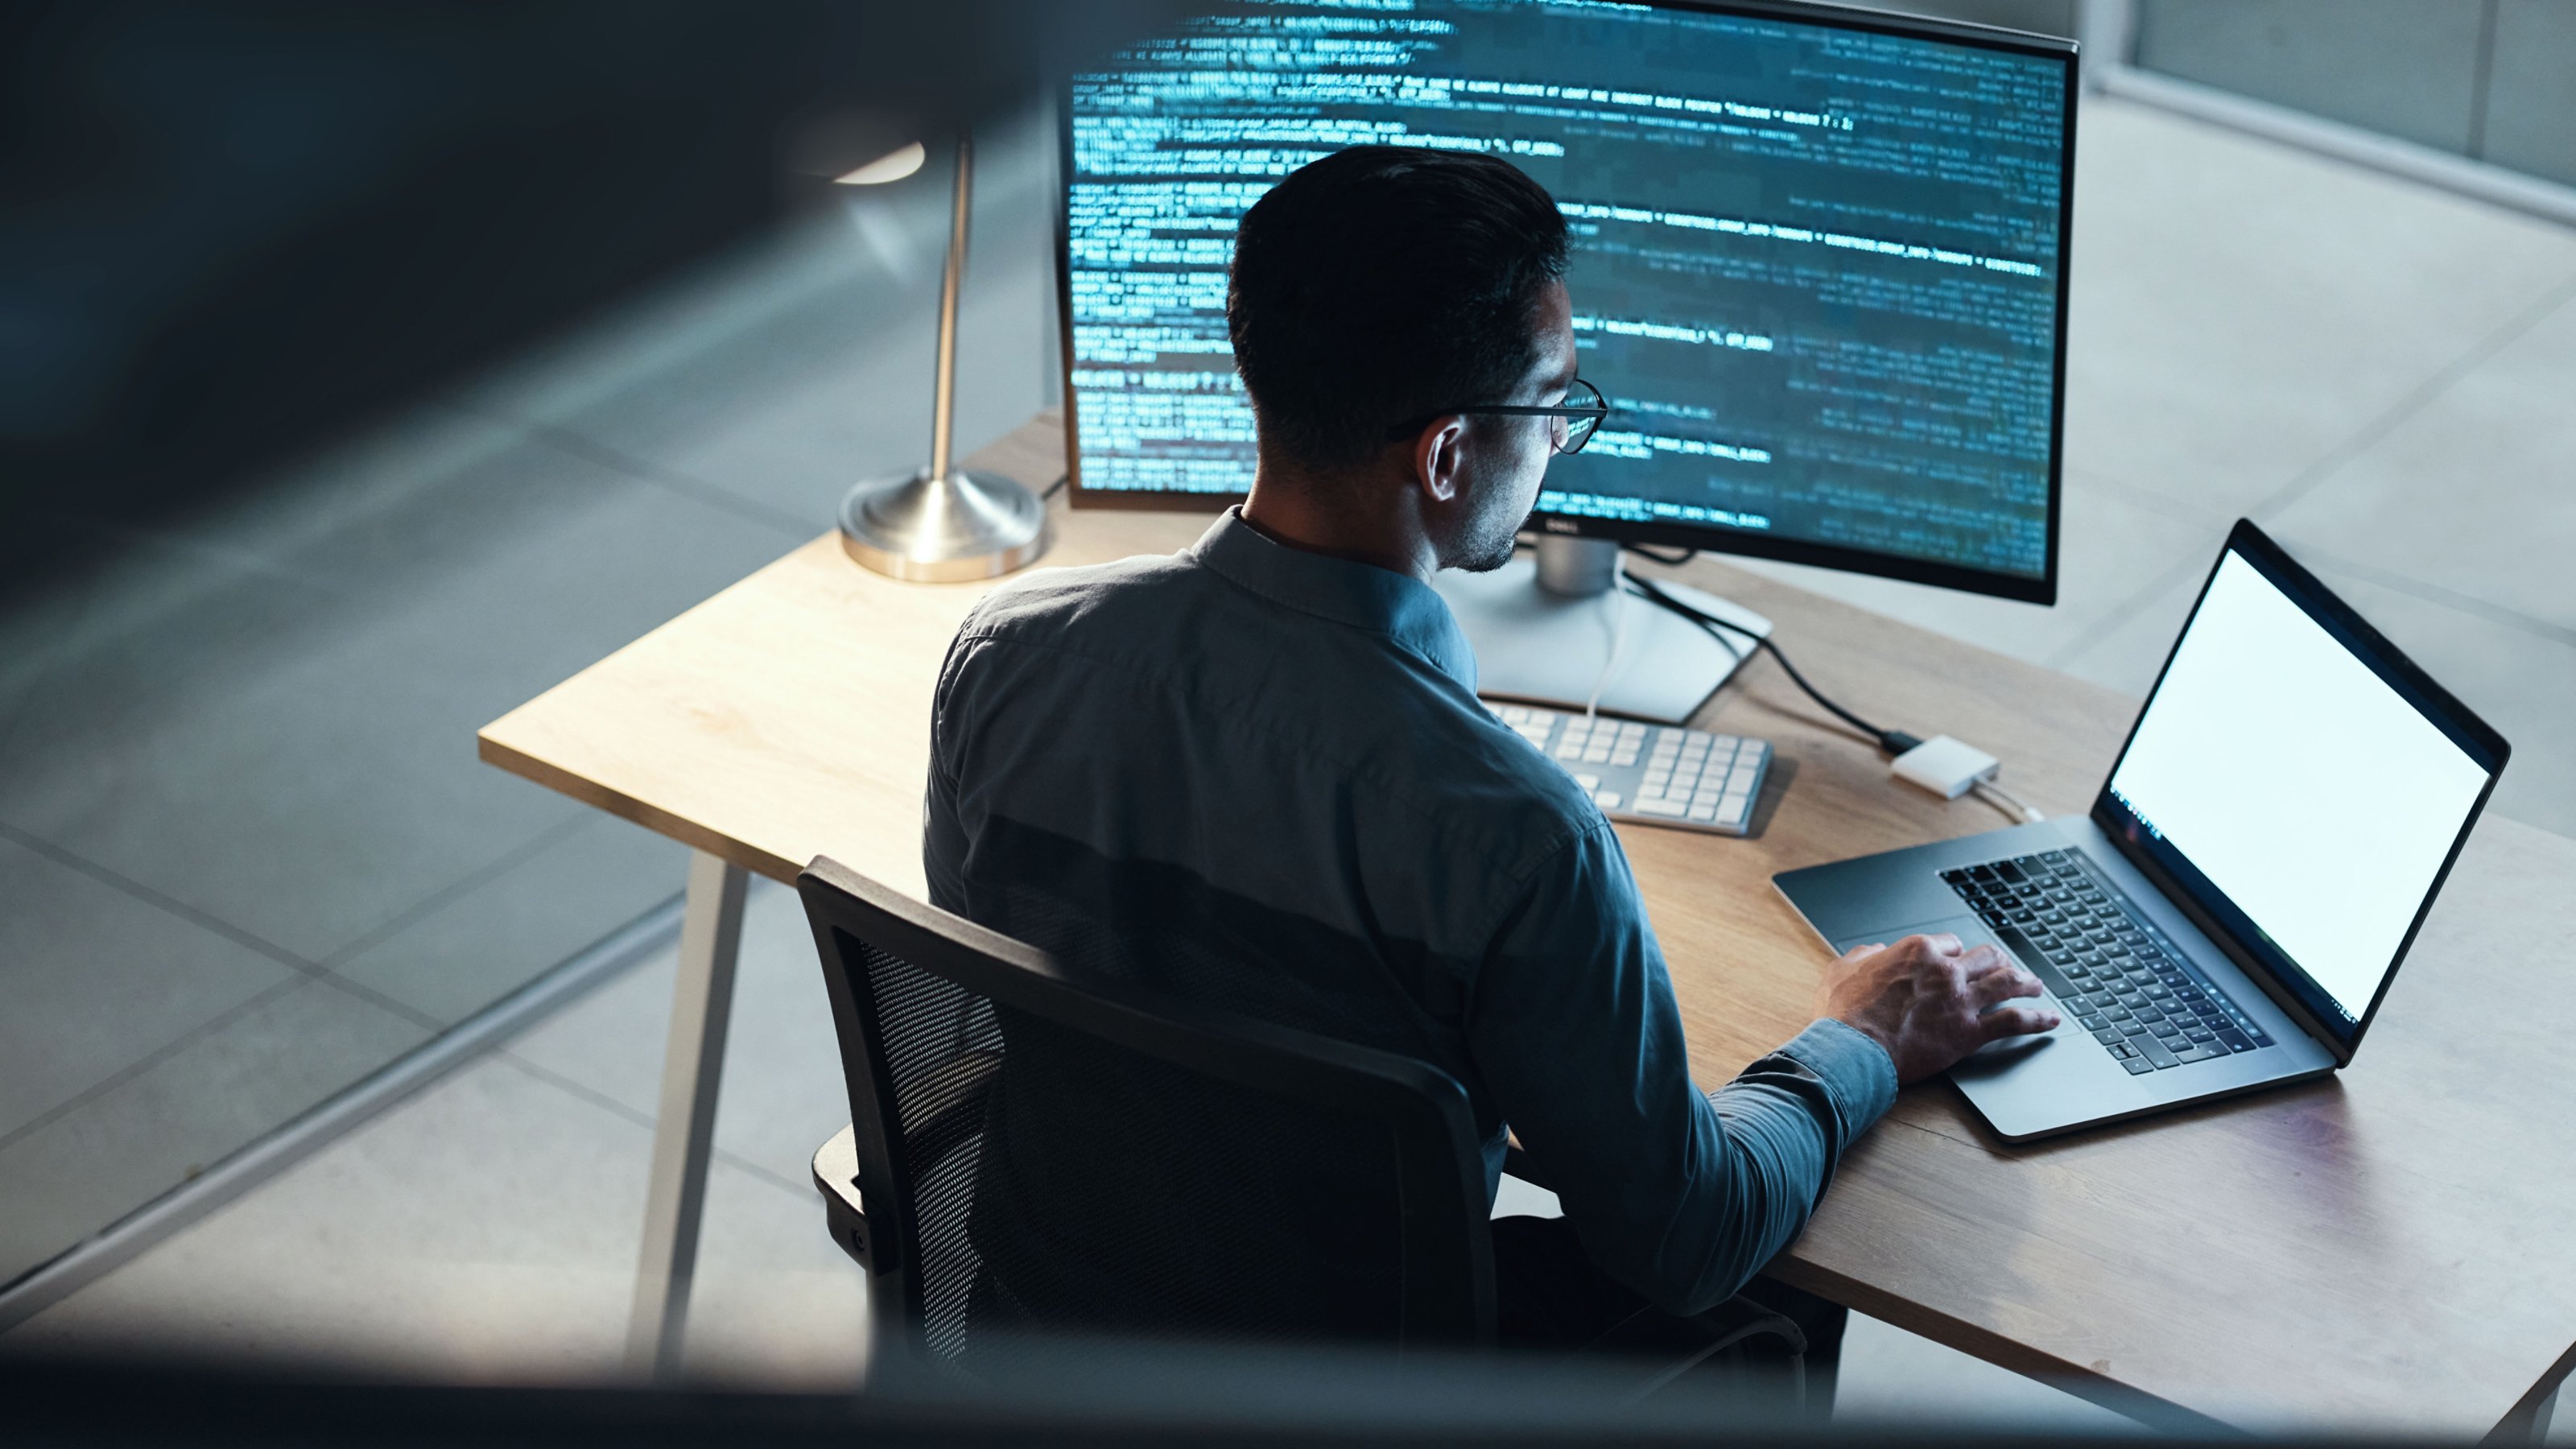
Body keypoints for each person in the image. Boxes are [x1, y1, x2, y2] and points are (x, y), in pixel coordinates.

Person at [923, 146, 2059, 1362]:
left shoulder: (1005, 656)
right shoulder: (1519, 837)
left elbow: (995, 994)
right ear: (1450, 456)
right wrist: (1867, 1035)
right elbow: (1687, 1238)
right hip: (1352, 1392)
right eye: (1555, 404)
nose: (1565, 435)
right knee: (1779, 1269)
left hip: (1041, 1349)